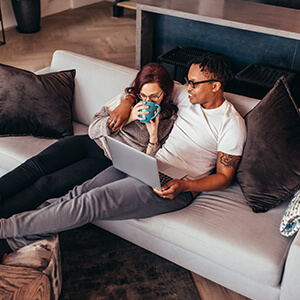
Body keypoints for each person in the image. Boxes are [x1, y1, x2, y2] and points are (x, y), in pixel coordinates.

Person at [0, 53, 247, 260]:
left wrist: (185, 185)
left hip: (175, 186)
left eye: (194, 83)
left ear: (215, 86)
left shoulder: (231, 123)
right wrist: (129, 104)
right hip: (147, 162)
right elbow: (146, 87)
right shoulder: (188, 99)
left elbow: (224, 177)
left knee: (92, 201)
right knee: (77, 194)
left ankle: (4, 228)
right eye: (187, 81)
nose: (188, 87)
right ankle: (11, 243)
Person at [0, 63, 176, 219]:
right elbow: (93, 129)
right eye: (143, 95)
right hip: (89, 143)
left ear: (165, 93)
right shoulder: (127, 99)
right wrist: (128, 116)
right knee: (34, 165)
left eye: (154, 96)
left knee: (47, 184)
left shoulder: (169, 122)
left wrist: (153, 136)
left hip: (107, 160)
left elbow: (148, 165)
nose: (147, 101)